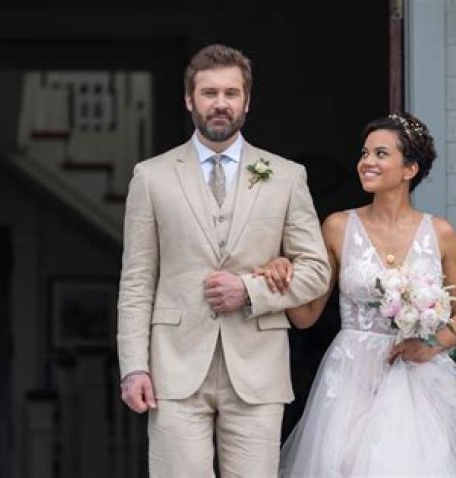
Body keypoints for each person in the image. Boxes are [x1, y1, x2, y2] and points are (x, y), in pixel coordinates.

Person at [115, 43, 331, 478]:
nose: (220, 103)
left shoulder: (286, 176)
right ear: (189, 100)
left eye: (231, 93)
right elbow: (137, 280)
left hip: (257, 367)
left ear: (246, 102)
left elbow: (317, 271)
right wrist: (134, 367)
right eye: (209, 93)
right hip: (174, 366)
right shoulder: (151, 176)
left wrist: (249, 291)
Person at [256, 112, 456, 476]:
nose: (367, 162)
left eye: (381, 154)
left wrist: (430, 345)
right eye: (364, 153)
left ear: (410, 168)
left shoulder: (441, 233)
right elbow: (306, 316)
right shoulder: (337, 227)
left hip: (419, 380)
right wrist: (282, 277)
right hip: (351, 380)